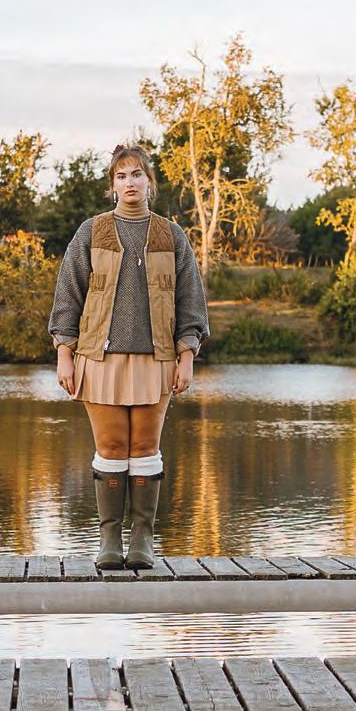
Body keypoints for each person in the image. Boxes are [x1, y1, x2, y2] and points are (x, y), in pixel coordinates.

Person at [48, 144, 209, 570]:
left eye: (137, 174)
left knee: (144, 447)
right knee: (112, 446)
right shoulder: (92, 231)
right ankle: (109, 540)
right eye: (121, 176)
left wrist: (187, 355)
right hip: (98, 359)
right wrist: (64, 353)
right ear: (112, 185)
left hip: (157, 359)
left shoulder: (171, 235)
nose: (130, 182)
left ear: (149, 181)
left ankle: (142, 540)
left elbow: (191, 302)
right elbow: (68, 294)